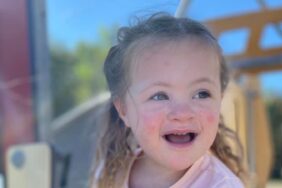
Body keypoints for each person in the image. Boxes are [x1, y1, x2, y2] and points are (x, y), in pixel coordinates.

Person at [90, 13, 246, 188]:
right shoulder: (110, 173)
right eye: (159, 96)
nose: (182, 114)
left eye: (202, 94)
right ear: (124, 110)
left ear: (219, 102)